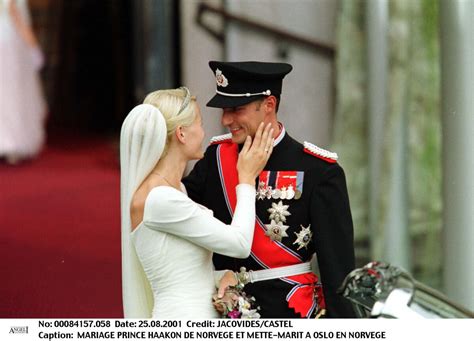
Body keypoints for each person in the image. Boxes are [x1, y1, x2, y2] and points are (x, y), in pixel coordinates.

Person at [183, 61, 356, 318]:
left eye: (236, 109)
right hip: (222, 311)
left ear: (269, 105)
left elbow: (337, 272)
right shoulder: (215, 160)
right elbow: (183, 222)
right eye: (223, 109)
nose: (225, 119)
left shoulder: (317, 171)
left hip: (287, 312)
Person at [120, 87, 274, 318]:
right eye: (200, 124)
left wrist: (222, 275)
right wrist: (246, 179)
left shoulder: (175, 191)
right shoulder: (160, 198)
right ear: (181, 134)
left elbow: (181, 270)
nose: (204, 133)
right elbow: (239, 244)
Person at [0, 0, 46, 164]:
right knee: (13, 95)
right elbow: (14, 12)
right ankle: (11, 143)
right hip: (10, 43)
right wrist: (32, 44)